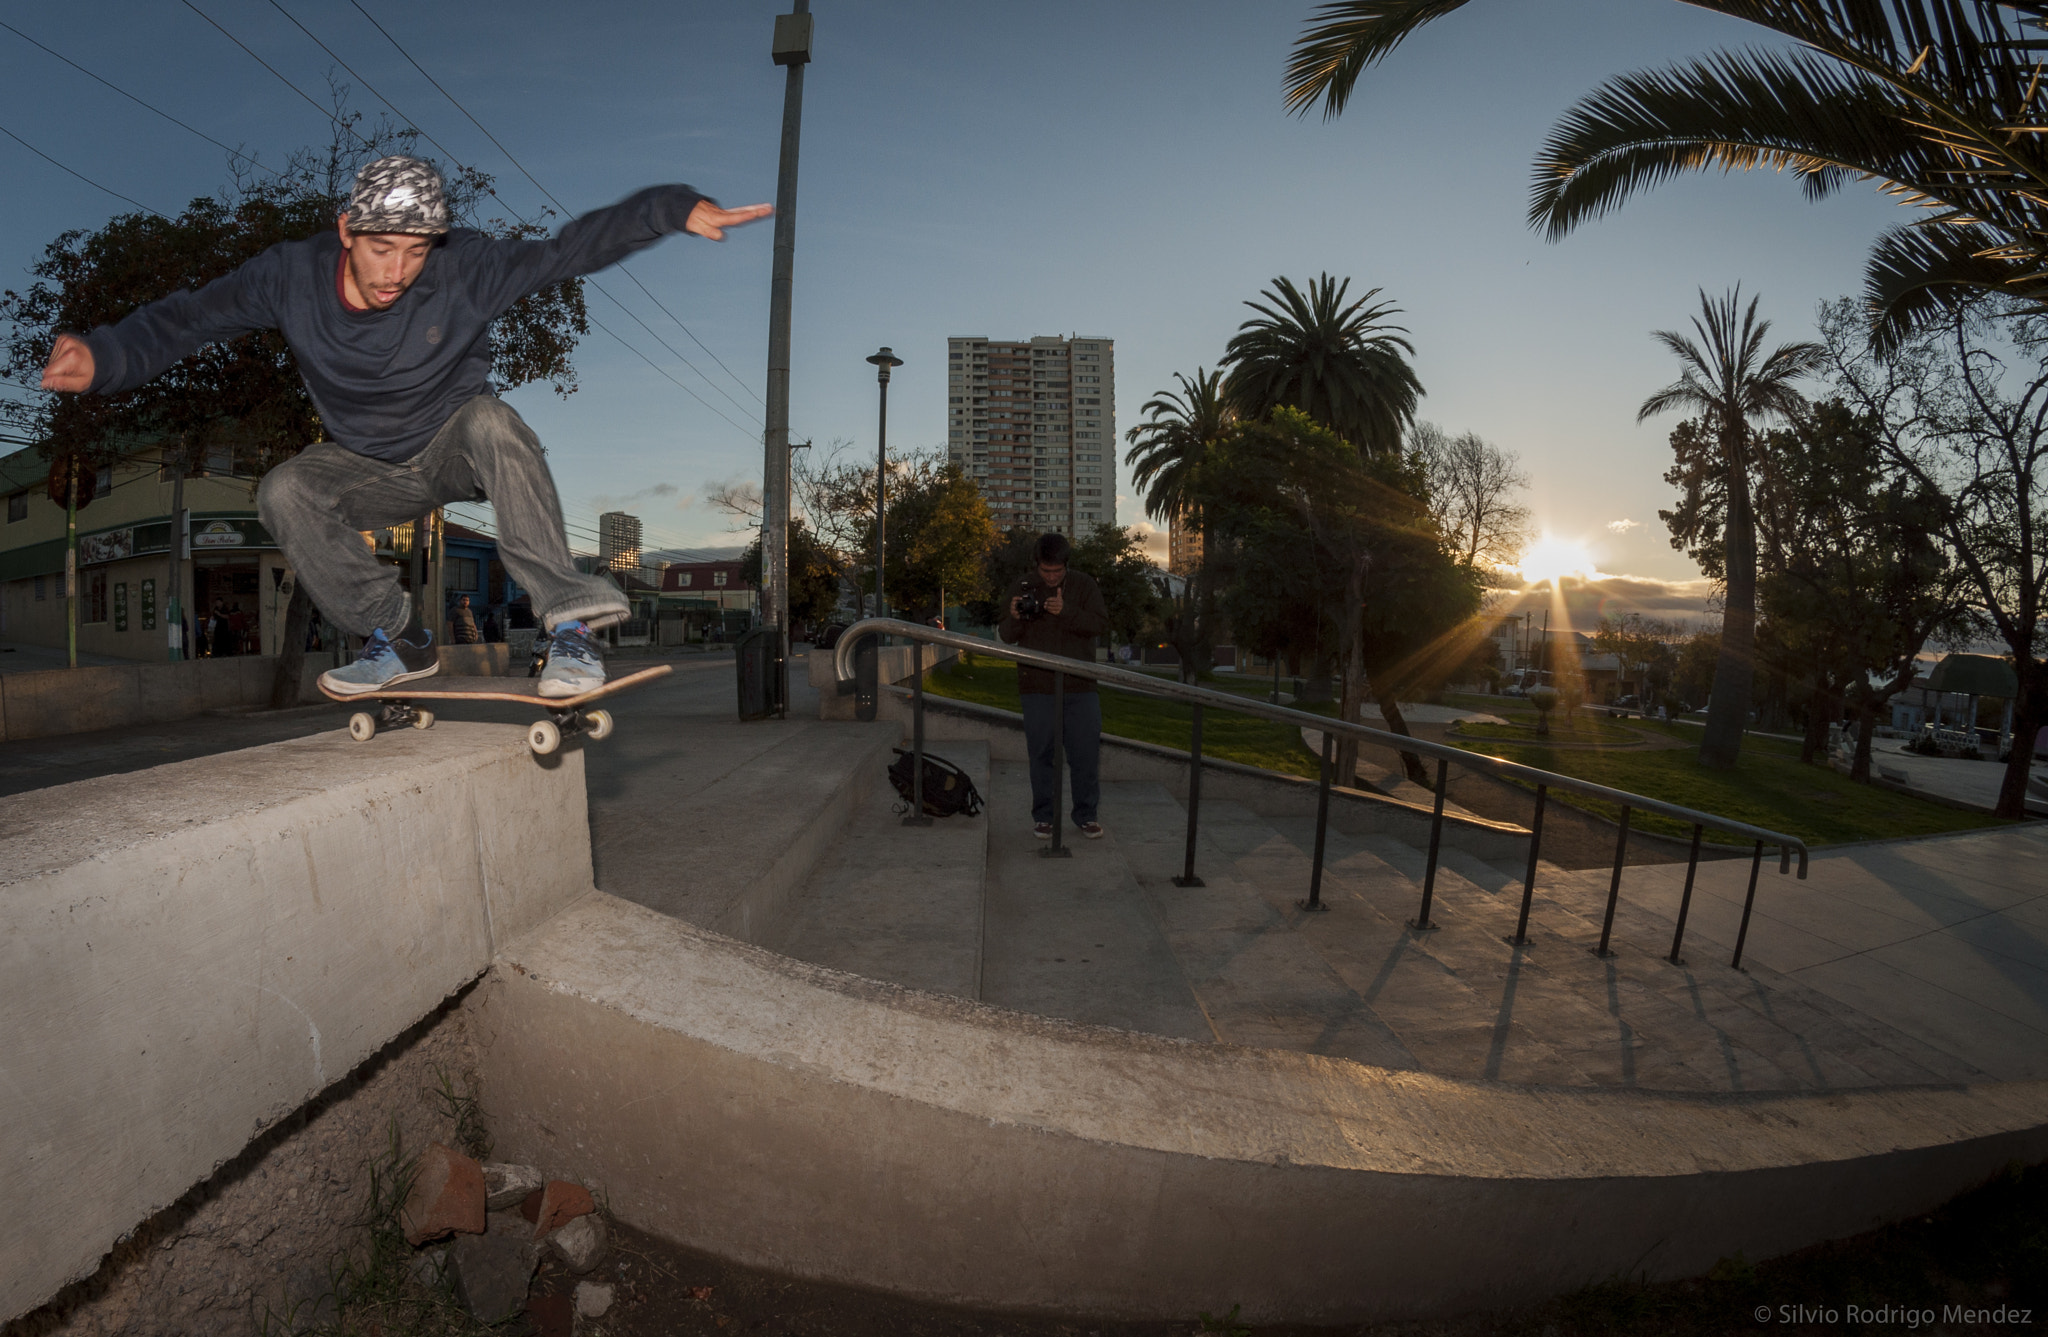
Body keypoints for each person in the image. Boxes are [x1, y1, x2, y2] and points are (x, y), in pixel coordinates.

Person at [42, 155, 769, 699]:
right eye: (381, 249)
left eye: (415, 251)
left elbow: (564, 252)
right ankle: (402, 637)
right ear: (345, 231)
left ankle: (572, 630)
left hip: (452, 444)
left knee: (490, 418)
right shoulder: (288, 277)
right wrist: (106, 354)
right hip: (368, 467)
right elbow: (190, 317)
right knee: (284, 489)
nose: (397, 271)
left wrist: (670, 209)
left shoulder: (464, 268)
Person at [999, 532, 1109, 840]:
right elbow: (1007, 636)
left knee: (1085, 754)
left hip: (1080, 684)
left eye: (1056, 572)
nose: (1050, 577)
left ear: (1066, 566)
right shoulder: (1023, 586)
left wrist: (1067, 612)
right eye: (1045, 571)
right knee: (1041, 753)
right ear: (1037, 565)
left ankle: (1086, 815)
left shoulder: (1084, 585)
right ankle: (1043, 817)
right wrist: (1014, 616)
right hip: (1036, 685)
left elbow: (1100, 624)